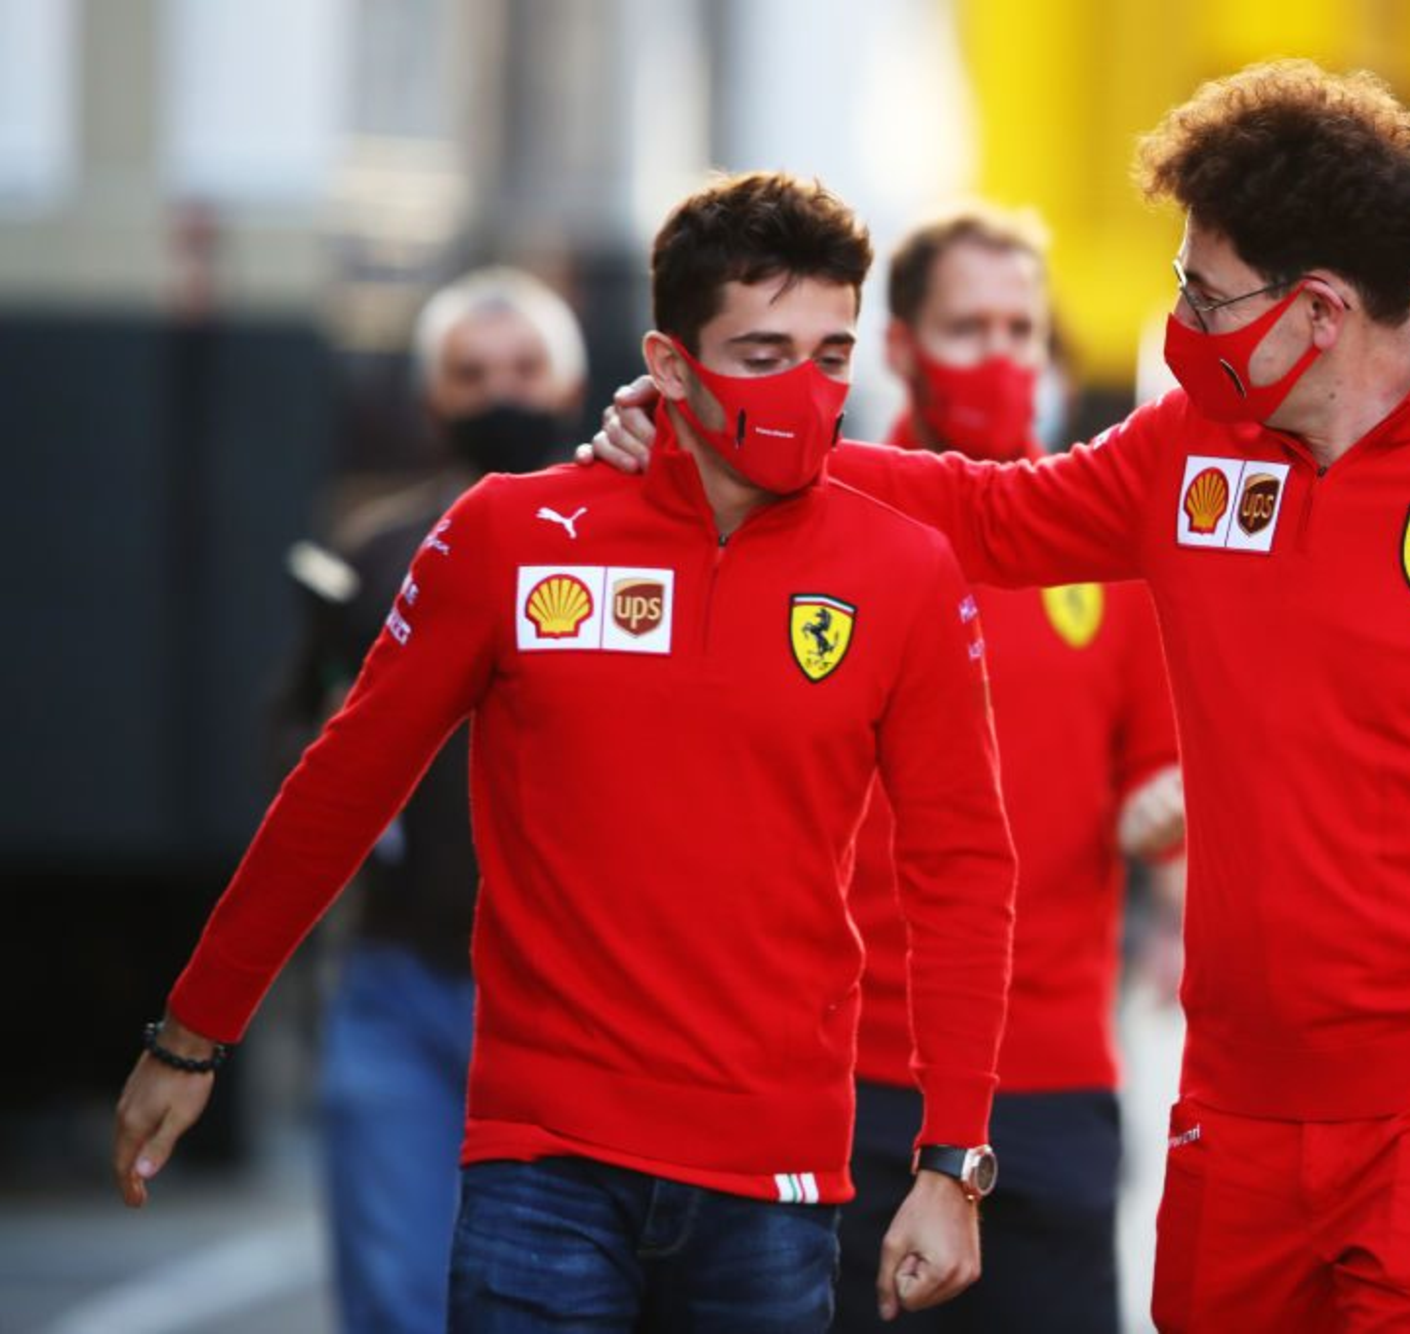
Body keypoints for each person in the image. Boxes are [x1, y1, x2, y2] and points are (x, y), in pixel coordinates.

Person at [584, 62, 1410, 1331]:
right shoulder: (1191, 452)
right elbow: (989, 514)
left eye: (1205, 298)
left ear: (1318, 309)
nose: (1179, 327)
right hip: (1239, 1099)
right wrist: (735, 432)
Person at [113, 171, 1016, 1334]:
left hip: (775, 1177)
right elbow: (342, 784)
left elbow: (964, 871)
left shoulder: (904, 570)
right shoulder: (508, 534)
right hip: (541, 1162)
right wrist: (192, 1032)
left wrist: (951, 1160)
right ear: (671, 361)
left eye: (832, 353)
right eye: (762, 351)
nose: (805, 385)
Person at [834, 206, 1184, 1334]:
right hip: (843, 1076)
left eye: (1020, 329)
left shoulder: (1107, 553)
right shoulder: (821, 522)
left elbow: (1163, 806)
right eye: (966, 327)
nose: (999, 356)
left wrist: (1164, 823)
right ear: (898, 347)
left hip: (1049, 1086)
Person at [276, 266, 587, 1334]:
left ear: (572, 380)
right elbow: (304, 735)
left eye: (522, 368)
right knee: (397, 1292)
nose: (499, 390)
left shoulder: (644, 542)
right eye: (471, 372)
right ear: (431, 396)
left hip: (572, 995)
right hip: (403, 977)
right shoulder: (368, 553)